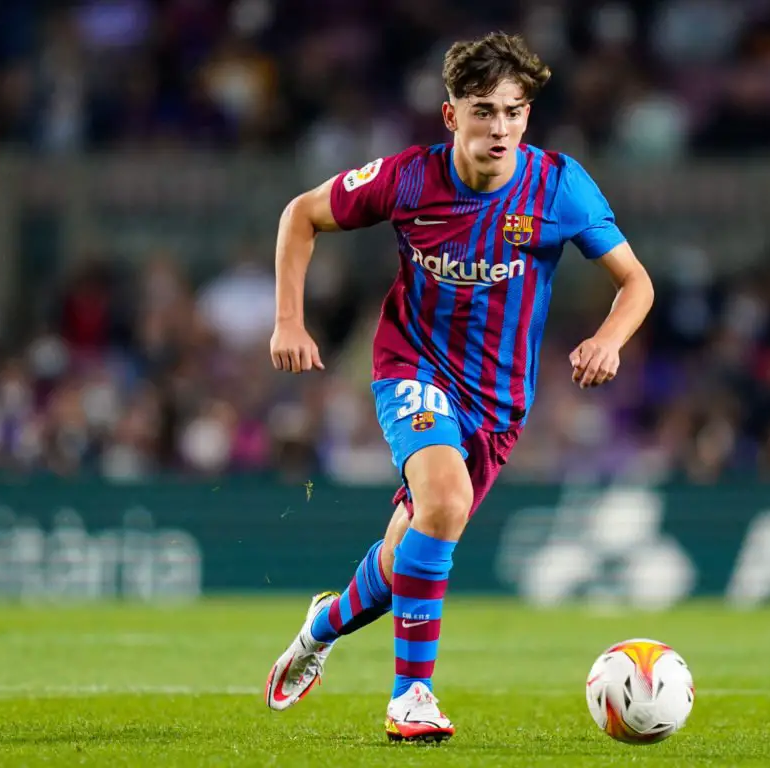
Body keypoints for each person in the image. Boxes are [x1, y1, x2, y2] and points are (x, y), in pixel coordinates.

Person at [263, 31, 654, 743]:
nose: (499, 127)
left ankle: (320, 628)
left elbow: (636, 282)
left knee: (405, 555)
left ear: (528, 116)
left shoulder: (559, 187)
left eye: (513, 111)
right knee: (444, 503)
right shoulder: (409, 178)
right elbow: (301, 214)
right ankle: (411, 697)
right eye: (483, 111)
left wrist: (608, 339)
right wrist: (289, 320)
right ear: (452, 116)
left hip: (498, 403)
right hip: (411, 367)